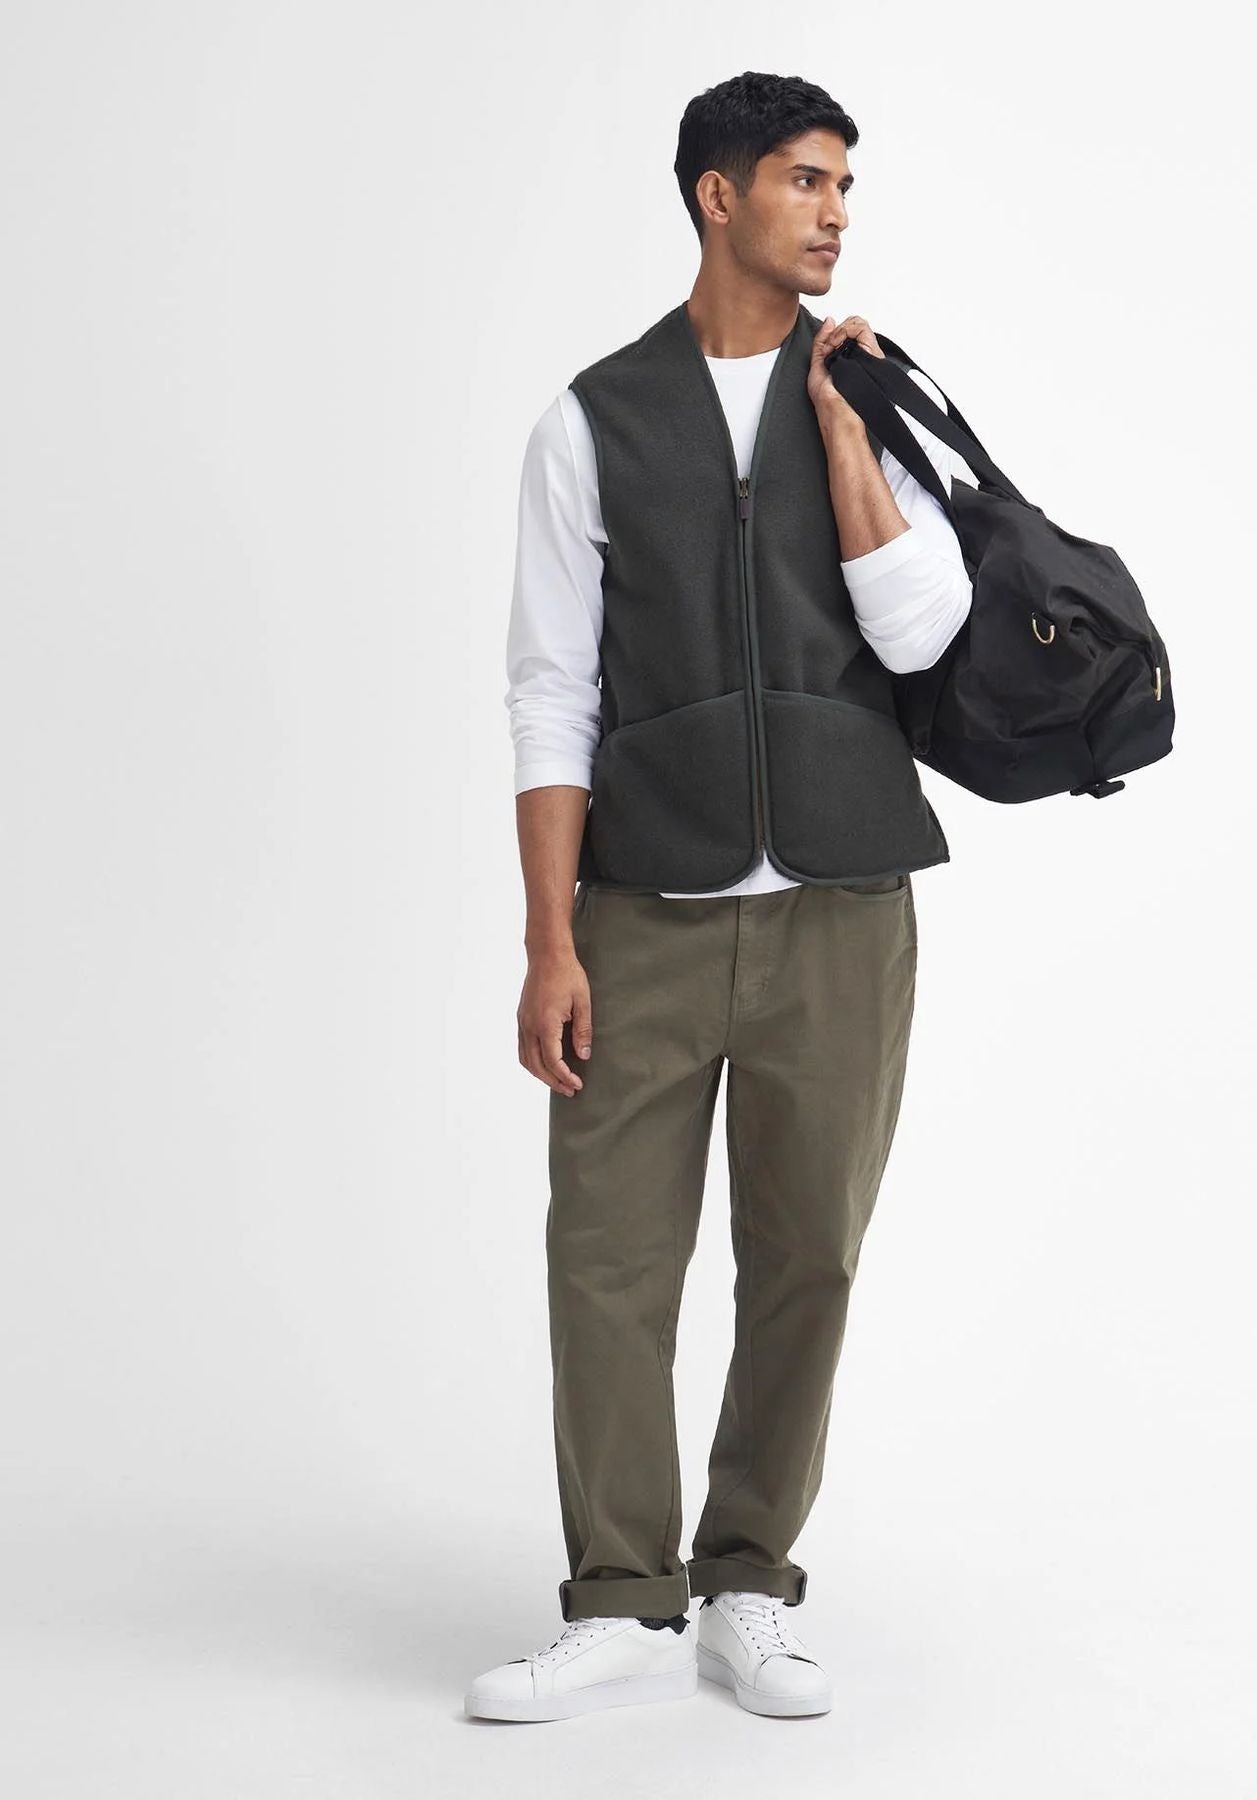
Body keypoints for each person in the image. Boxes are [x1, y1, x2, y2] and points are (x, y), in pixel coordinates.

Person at [466, 70, 973, 1724]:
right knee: (606, 1259)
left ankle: (747, 1583)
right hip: (644, 909)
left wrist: (845, 435)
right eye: (806, 181)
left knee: (807, 1254)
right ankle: (620, 1593)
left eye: (845, 186)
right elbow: (552, 691)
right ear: (718, 195)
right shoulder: (592, 421)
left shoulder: (870, 393)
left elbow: (923, 634)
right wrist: (551, 939)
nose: (835, 212)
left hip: (845, 910)